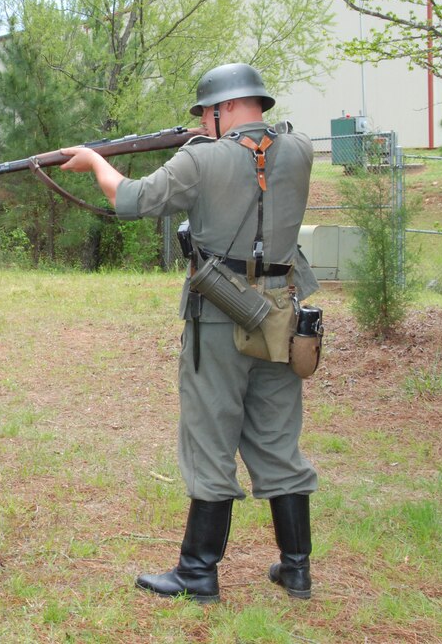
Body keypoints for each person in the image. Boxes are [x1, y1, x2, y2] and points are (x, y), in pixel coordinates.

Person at [60, 63, 319, 604]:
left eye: (206, 112)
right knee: (277, 439)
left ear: (222, 109)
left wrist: (95, 164)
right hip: (281, 315)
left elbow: (131, 200)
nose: (201, 122)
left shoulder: (200, 158)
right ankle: (297, 569)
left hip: (221, 317)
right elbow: (256, 160)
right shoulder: (300, 150)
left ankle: (198, 574)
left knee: (208, 440)